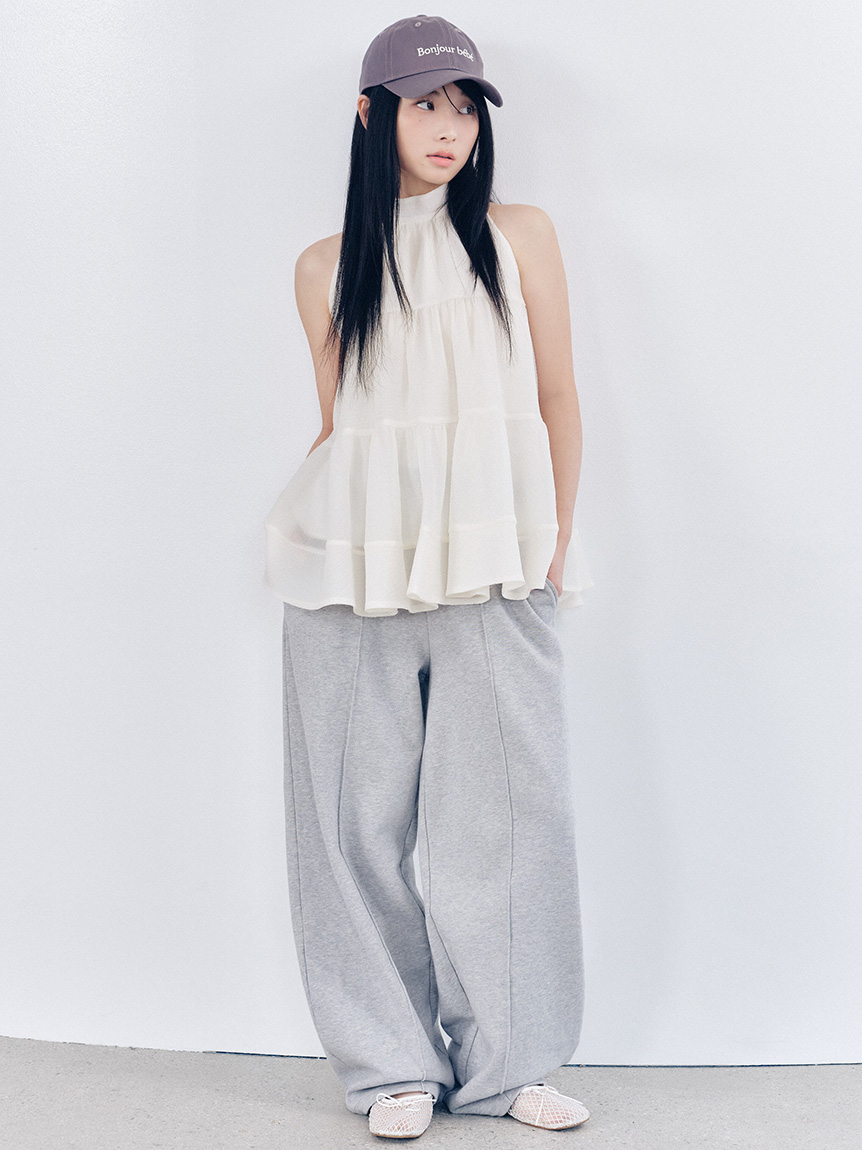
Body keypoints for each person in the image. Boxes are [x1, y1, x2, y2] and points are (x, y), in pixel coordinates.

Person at [264, 13, 595, 1141]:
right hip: (352, 573)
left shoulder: (519, 235)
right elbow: (342, 426)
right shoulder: (323, 266)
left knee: (506, 822)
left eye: (463, 109)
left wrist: (553, 538)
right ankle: (389, 1065)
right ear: (373, 117)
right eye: (424, 107)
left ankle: (510, 1067)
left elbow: (556, 395)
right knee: (347, 827)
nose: (448, 129)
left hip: (496, 565)